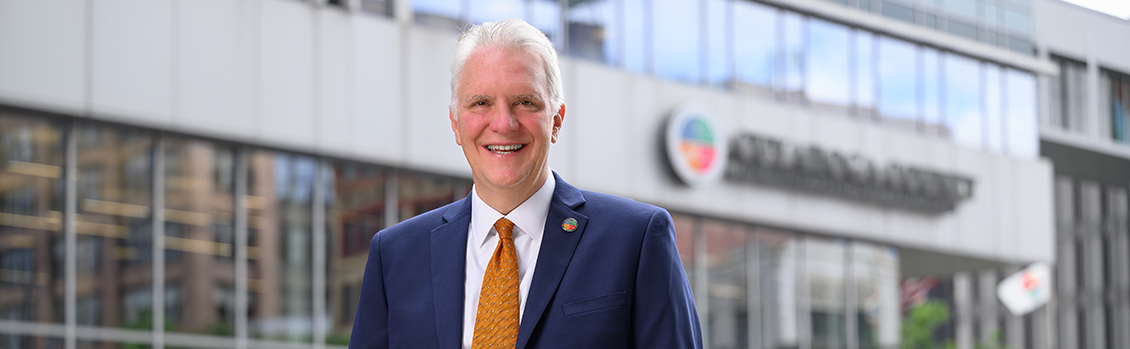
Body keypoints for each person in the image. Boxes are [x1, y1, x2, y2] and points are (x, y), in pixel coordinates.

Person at [349, 18, 702, 349]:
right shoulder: (394, 256)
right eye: (481, 102)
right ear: (456, 124)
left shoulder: (636, 240)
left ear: (556, 120)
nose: (503, 123)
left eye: (525, 102)